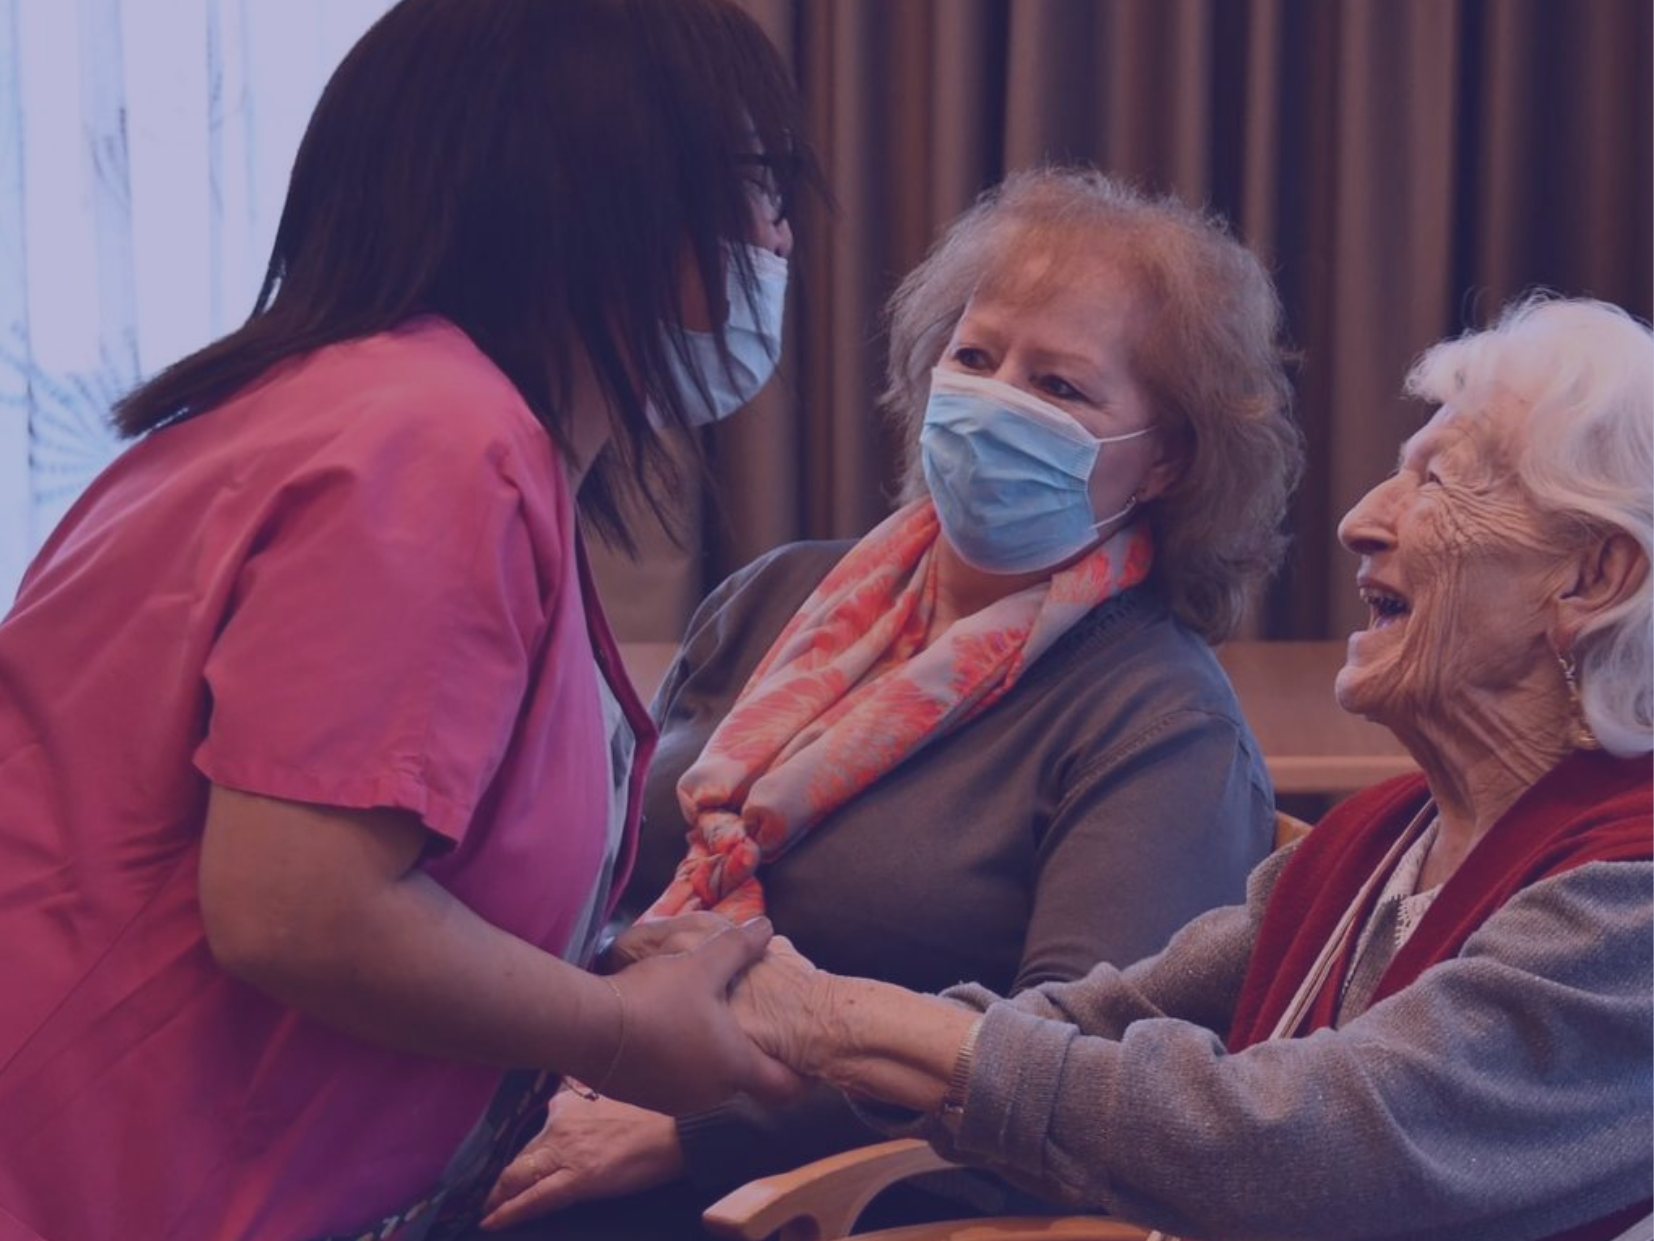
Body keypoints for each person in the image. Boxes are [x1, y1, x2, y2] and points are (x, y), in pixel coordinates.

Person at [0, 1, 825, 1238]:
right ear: (613, 195)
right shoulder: (435, 440)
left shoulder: (334, 407)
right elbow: (297, 905)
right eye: (759, 186)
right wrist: (615, 1032)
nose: (778, 236)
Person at [480, 168, 1304, 1237]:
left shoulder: (1159, 719)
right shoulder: (778, 591)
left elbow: (1073, 1074)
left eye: (1060, 386)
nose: (996, 396)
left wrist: (693, 1133)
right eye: (975, 357)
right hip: (582, 1067)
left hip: (811, 1192)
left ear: (1164, 463)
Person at [728, 295, 1654, 1241]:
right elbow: (1102, 1021)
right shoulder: (1381, 842)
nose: (1361, 520)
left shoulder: (1633, 901)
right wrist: (793, 1021)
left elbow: (1304, 1146)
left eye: (1440, 481)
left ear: (1591, 578)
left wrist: (833, 1019)